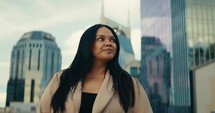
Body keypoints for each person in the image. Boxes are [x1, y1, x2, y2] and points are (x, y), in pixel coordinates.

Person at [37, 24, 153, 113]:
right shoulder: (61, 80)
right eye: (101, 39)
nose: (109, 43)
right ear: (88, 44)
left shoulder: (128, 84)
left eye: (112, 40)